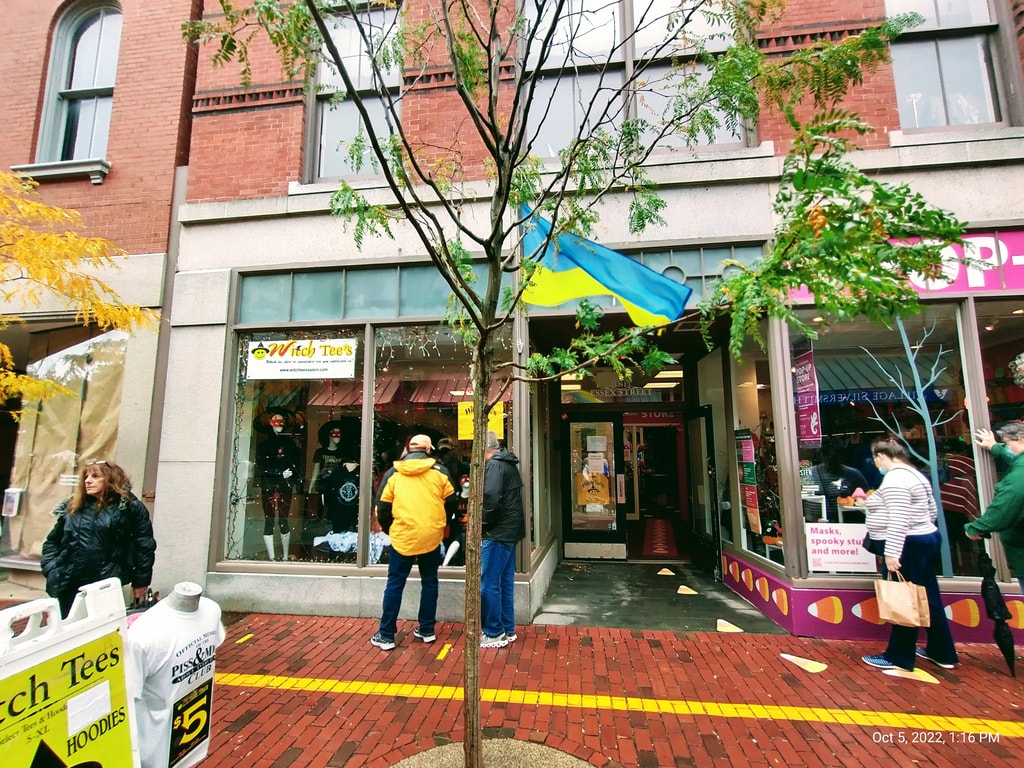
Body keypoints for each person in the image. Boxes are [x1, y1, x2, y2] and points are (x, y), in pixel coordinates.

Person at [861, 434, 958, 671]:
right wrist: (922, 528)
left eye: (875, 459)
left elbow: (899, 518)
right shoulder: (915, 474)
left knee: (904, 598)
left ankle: (899, 656)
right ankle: (942, 651)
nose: (876, 464)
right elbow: (932, 509)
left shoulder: (895, 479)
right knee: (929, 597)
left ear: (881, 456)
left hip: (907, 544)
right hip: (924, 538)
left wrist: (892, 553)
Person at [370, 434, 458, 650]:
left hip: (403, 537)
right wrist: (440, 524)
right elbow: (452, 502)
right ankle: (427, 629)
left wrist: (392, 529)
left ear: (409, 449)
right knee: (430, 582)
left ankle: (386, 634)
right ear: (429, 450)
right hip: (430, 536)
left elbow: (382, 507)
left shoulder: (394, 473)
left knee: (395, 583)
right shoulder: (440, 472)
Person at [126, 582, 226, 768]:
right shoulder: (142, 636)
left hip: (192, 732)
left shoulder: (211, 610)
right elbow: (130, 694)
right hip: (154, 746)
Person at [41, 460, 157, 618]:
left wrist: (141, 582)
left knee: (101, 629)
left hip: (104, 583)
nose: (88, 481)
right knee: (67, 628)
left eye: (95, 476)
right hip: (68, 581)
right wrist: (52, 568)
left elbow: (144, 546)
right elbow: (52, 542)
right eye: (86, 477)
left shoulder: (128, 506)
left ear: (111, 479)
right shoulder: (74, 506)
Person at [965, 422, 1024, 593]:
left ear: (1021, 439)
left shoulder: (1018, 477)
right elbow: (1016, 459)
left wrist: (976, 528)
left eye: (1007, 443)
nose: (1007, 447)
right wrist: (995, 447)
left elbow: (1005, 507)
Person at [480, 430, 526, 649]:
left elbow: (490, 498)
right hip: (509, 531)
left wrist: (481, 524)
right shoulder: (507, 463)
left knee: (489, 584)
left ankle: (493, 632)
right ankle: (507, 629)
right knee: (504, 583)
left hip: (497, 533)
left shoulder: (494, 465)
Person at [255, 408, 302, 561]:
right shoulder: (263, 446)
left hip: (285, 485)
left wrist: (292, 474)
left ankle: (286, 556)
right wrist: (279, 472)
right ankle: (272, 558)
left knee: (283, 519)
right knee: (269, 520)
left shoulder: (290, 444)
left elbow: (295, 463)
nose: (279, 423)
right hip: (268, 484)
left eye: (281, 421)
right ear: (269, 423)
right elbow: (262, 465)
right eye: (276, 420)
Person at [309, 420, 359, 533]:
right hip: (324, 484)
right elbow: (315, 470)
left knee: (336, 509)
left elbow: (349, 469)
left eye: (339, 434)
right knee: (323, 506)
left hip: (338, 487)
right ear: (328, 436)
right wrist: (311, 485)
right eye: (334, 434)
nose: (337, 437)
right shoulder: (320, 452)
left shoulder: (343, 452)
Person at [812, 441, 869, 522]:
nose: (832, 464)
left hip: (847, 521)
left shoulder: (853, 474)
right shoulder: (811, 473)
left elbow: (866, 496)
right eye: (829, 460)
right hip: (817, 522)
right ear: (822, 456)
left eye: (835, 460)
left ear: (841, 458)